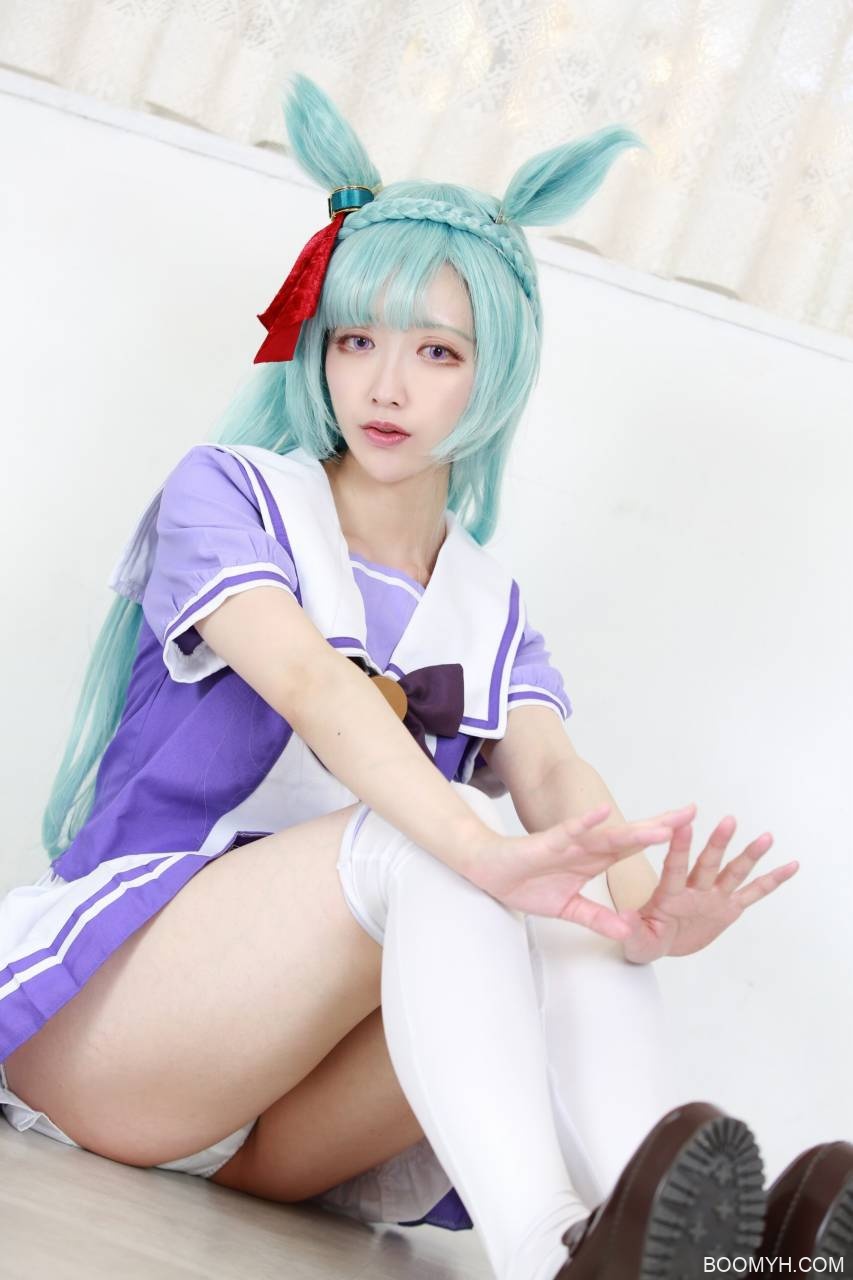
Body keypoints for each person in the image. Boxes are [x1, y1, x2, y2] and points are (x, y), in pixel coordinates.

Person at [1, 72, 843, 1280]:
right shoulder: (231, 494)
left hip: (286, 1115)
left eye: (436, 351)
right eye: (356, 340)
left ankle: (695, 1250)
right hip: (120, 1033)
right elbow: (313, 683)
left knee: (561, 887)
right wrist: (482, 849)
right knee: (449, 840)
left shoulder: (490, 605)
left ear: (494, 373)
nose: (384, 386)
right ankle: (548, 1251)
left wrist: (647, 910)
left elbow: (559, 779)